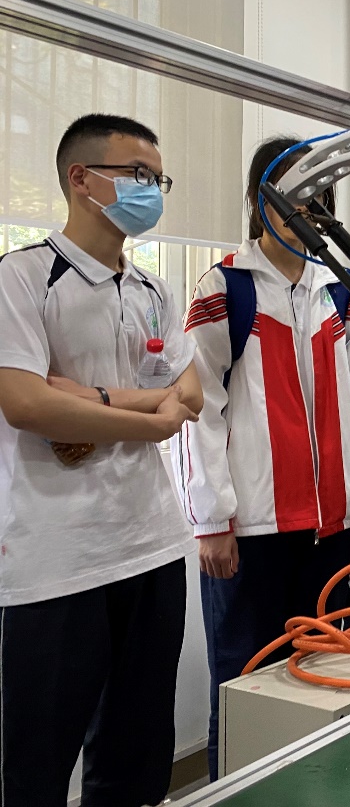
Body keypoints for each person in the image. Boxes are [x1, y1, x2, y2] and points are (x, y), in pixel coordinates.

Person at [172, 137, 350, 778]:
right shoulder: (226, 287)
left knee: (322, 677)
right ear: (257, 199)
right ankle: (233, 788)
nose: (304, 208)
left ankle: (316, 788)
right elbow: (199, 407)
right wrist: (212, 518)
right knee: (242, 680)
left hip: (329, 528)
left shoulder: (342, 291)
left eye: (316, 194)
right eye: (290, 193)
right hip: (252, 532)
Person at [0, 114, 201, 806]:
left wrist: (88, 399)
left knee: (136, 758)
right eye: (137, 175)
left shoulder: (153, 290)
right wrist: (149, 418)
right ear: (81, 179)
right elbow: (26, 404)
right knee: (38, 763)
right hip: (58, 560)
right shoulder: (24, 276)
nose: (151, 190)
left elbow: (191, 395)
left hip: (152, 544)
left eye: (158, 180)